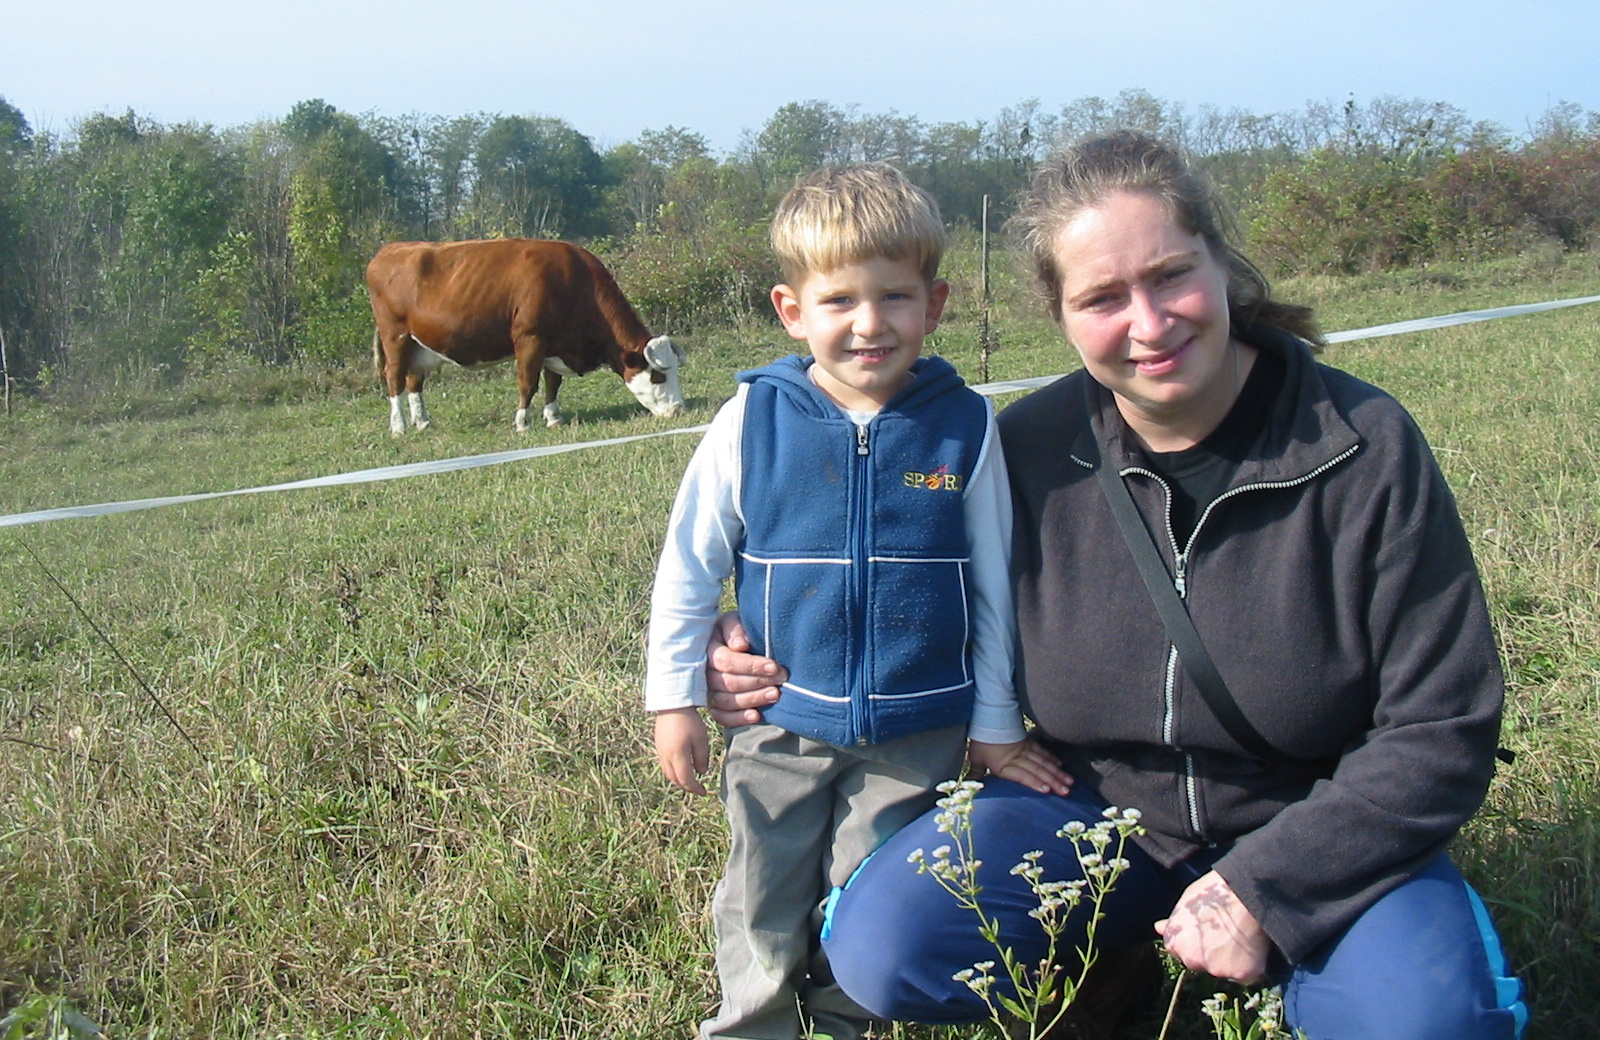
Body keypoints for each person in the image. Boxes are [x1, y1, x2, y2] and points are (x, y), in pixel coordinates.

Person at [707, 133, 1527, 1039]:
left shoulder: (1362, 443)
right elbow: (891, 581)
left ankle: (1295, 951)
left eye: (1172, 275)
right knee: (883, 950)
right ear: (1059, 313)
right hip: (1089, 810)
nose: (1149, 322)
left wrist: (1265, 887)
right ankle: (1122, 952)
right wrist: (746, 643)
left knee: (1432, 1025)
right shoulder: (1017, 451)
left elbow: (1443, 726)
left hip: (1318, 826)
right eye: (1101, 297)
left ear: (1224, 266)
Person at [645, 163, 1062, 1040]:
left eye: (894, 298)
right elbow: (688, 566)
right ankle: (753, 1027)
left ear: (935, 303)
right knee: (762, 894)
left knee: (865, 895)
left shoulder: (964, 426)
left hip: (916, 738)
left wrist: (993, 721)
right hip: (777, 725)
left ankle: (840, 1025)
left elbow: (993, 585)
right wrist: (676, 697)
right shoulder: (749, 420)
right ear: (791, 310)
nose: (870, 324)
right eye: (839, 301)